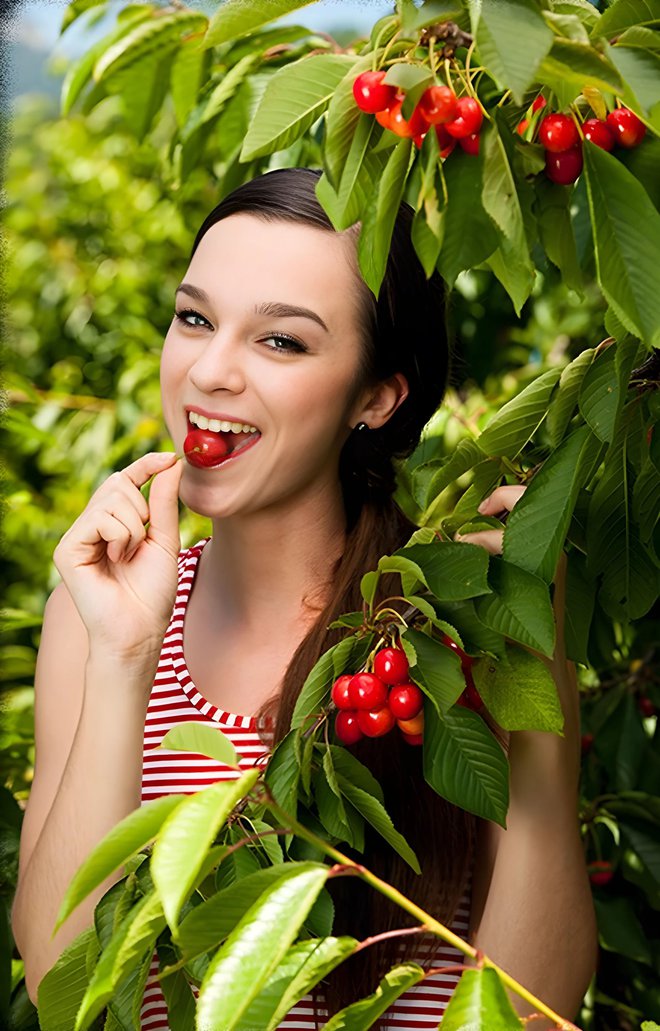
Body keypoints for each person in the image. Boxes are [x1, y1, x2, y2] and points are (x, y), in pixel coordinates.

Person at [11, 167, 597, 1029]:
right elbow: (62, 986)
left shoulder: (446, 625)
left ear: (377, 395)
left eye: (280, 342)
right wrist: (124, 653)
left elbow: (535, 1013)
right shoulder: (96, 614)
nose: (210, 370)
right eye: (194, 318)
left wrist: (539, 662)